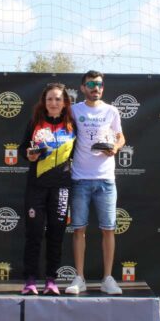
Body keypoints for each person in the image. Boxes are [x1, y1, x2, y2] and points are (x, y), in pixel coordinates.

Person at [66, 70, 126, 295]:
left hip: (106, 180)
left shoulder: (112, 110)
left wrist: (115, 148)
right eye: (91, 84)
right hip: (80, 178)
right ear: (83, 88)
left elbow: (120, 136)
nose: (96, 88)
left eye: (99, 84)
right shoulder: (73, 110)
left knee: (108, 229)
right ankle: (79, 278)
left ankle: (107, 278)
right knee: (79, 229)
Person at [20, 83, 76, 296]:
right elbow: (22, 148)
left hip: (61, 187)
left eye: (58, 99)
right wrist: (29, 155)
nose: (53, 103)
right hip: (37, 186)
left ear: (64, 103)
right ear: (44, 102)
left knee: (56, 233)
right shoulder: (35, 122)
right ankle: (30, 280)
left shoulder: (71, 125)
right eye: (50, 99)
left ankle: (51, 280)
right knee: (34, 233)